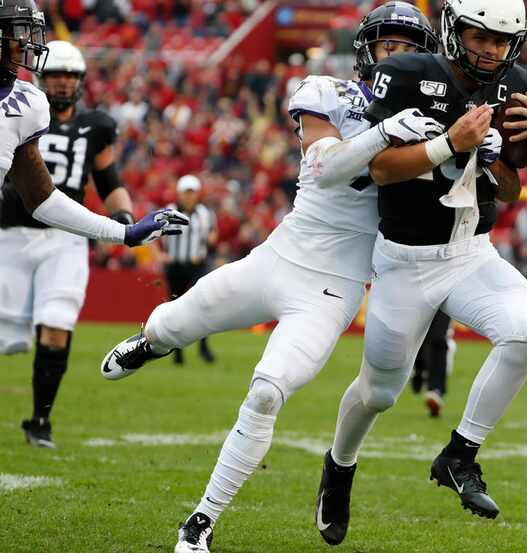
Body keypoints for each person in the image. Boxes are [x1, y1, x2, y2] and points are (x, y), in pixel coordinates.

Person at [98, 4, 446, 552]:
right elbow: (328, 166)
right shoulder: (329, 92)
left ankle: (202, 520)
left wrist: (473, 149)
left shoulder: (435, 118)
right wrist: (383, 134)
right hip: (278, 258)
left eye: (411, 50)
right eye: (390, 47)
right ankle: (151, 343)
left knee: (266, 391)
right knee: (171, 323)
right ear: (366, 51)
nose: (399, 59)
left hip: (334, 288)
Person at [315, 0, 527, 544]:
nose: (490, 50)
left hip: (471, 252)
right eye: (480, 36)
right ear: (455, 29)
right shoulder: (405, 75)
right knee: (380, 392)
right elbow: (380, 169)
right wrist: (449, 144)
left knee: (525, 332)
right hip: (405, 261)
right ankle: (339, 465)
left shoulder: (512, 85)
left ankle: (460, 454)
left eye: (501, 42)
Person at [0, 5, 186, 448]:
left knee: (56, 323)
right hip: (9, 234)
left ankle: (40, 420)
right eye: (17, 34)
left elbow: (42, 196)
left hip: (59, 239)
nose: (28, 45)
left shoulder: (25, 105)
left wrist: (122, 230)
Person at [157, 175, 218, 365]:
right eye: (186, 192)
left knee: (203, 304)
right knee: (175, 309)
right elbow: (151, 233)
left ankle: (204, 347)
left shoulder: (205, 213)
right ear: (179, 193)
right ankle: (177, 352)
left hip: (196, 266)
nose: (189, 197)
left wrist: (206, 247)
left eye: (192, 192)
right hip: (175, 266)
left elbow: (213, 233)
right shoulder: (168, 212)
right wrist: (159, 255)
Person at [411, 311, 455, 417]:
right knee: (419, 334)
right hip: (415, 296)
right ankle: (419, 370)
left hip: (443, 297)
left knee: (438, 337)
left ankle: (435, 390)